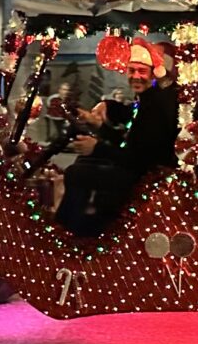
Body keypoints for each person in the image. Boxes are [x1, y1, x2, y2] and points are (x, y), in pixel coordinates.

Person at [56, 38, 179, 235]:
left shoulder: (157, 107)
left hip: (146, 174)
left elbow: (138, 158)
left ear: (154, 74)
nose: (136, 77)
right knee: (83, 162)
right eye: (132, 71)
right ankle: (79, 227)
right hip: (135, 166)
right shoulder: (146, 100)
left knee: (77, 173)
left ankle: (70, 232)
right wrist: (101, 117)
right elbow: (129, 132)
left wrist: (97, 146)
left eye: (142, 72)